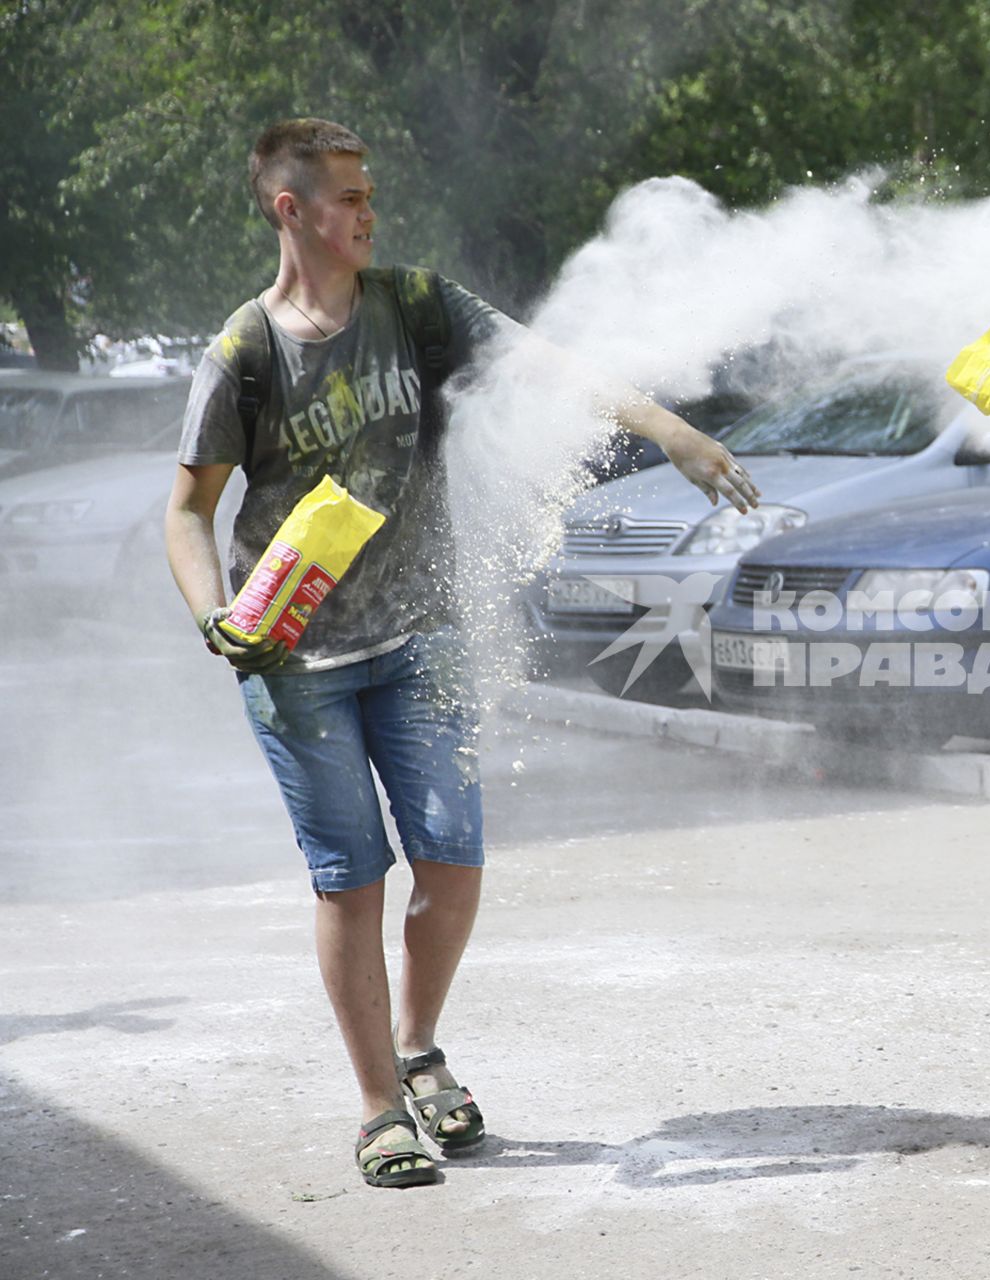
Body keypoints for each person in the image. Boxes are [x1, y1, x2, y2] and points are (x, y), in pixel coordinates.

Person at [164, 118, 758, 1190]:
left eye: (369, 190)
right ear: (289, 208)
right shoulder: (243, 354)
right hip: (297, 660)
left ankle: (419, 1040)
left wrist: (668, 427)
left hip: (422, 638)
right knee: (351, 880)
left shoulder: (417, 306)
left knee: (453, 868)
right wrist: (220, 617)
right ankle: (378, 1104)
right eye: (346, 195)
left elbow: (545, 363)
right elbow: (187, 512)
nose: (367, 210)